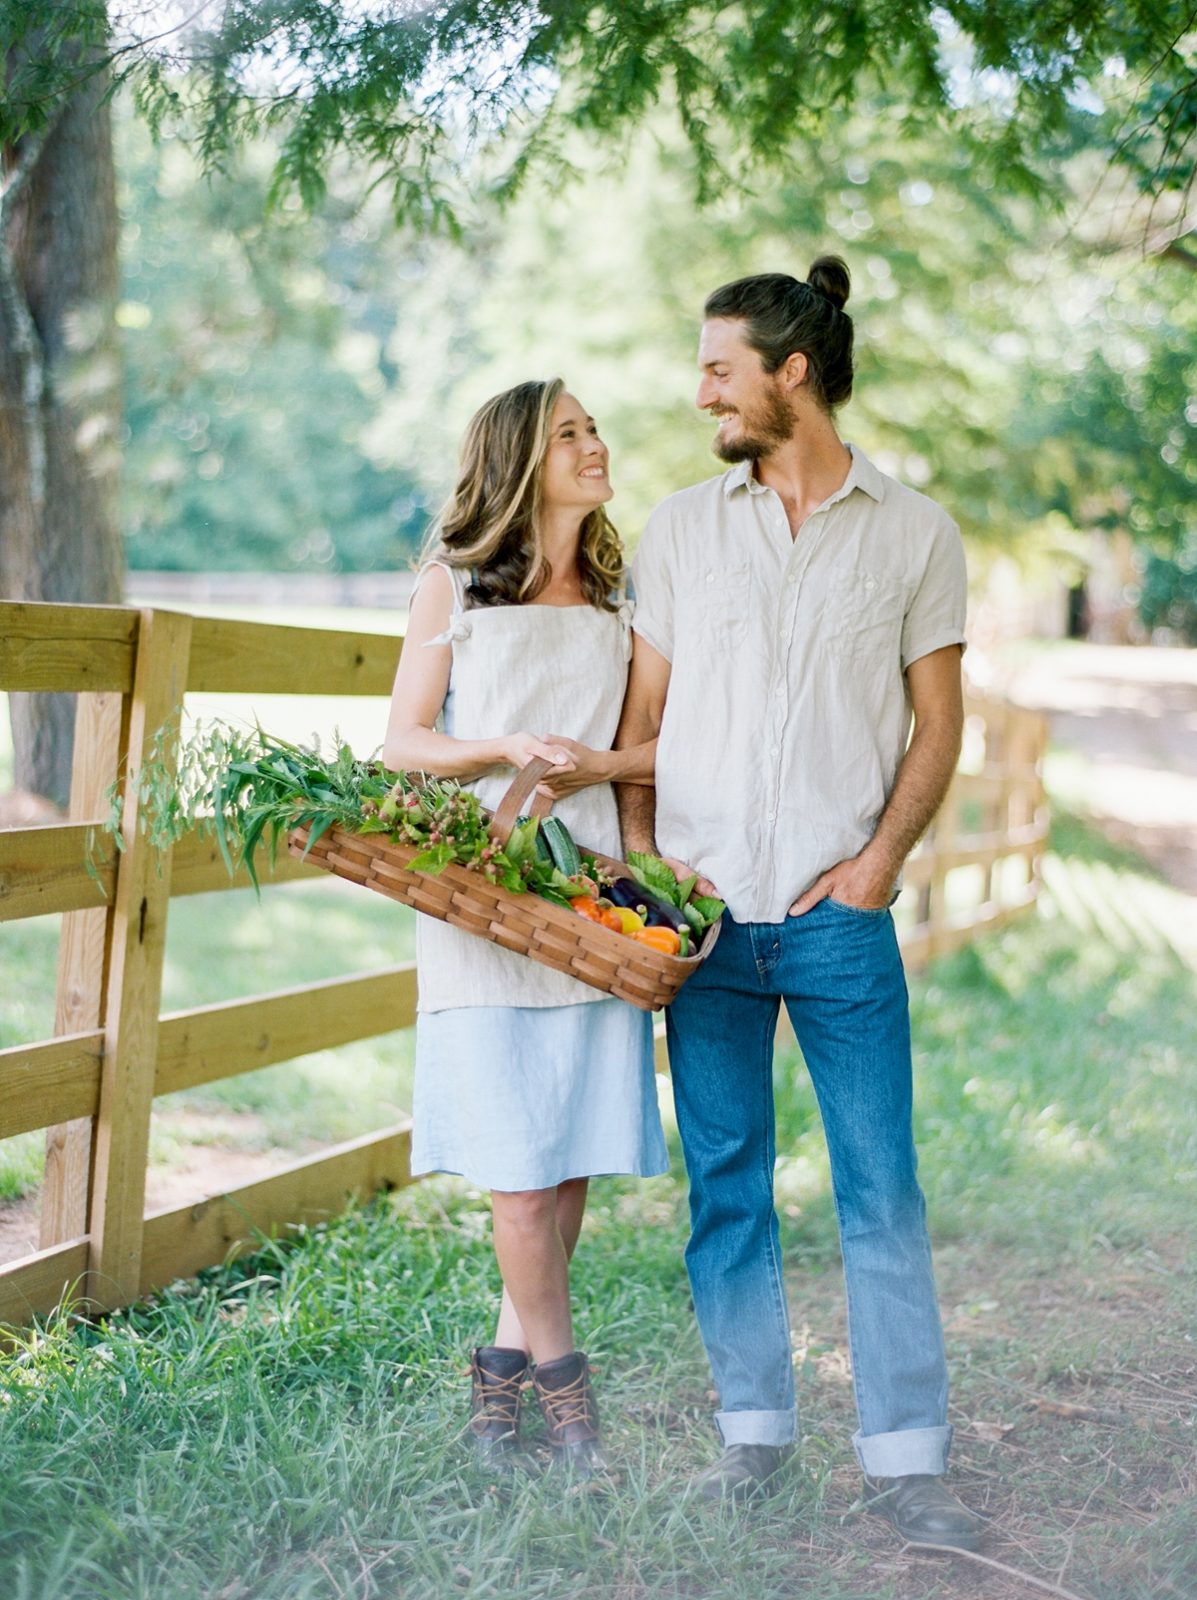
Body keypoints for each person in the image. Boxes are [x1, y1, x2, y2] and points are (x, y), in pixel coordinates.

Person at [615, 258, 983, 1549]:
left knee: (879, 1187)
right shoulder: (678, 529)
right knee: (725, 1182)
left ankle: (906, 1459)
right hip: (707, 919)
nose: (699, 388)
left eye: (719, 367)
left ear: (792, 373)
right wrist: (650, 869)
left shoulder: (914, 531)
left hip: (839, 916)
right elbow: (638, 721)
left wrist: (878, 861)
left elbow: (938, 726)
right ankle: (752, 1437)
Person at [383, 378, 667, 1481]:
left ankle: (497, 1387)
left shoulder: (624, 601)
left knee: (565, 1164)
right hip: (485, 900)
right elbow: (405, 741)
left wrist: (598, 771)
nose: (597, 445)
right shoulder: (450, 589)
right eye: (570, 434)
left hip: (588, 905)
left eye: (597, 427)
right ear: (518, 459)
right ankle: (569, 1399)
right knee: (516, 1169)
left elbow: (654, 745)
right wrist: (499, 747)